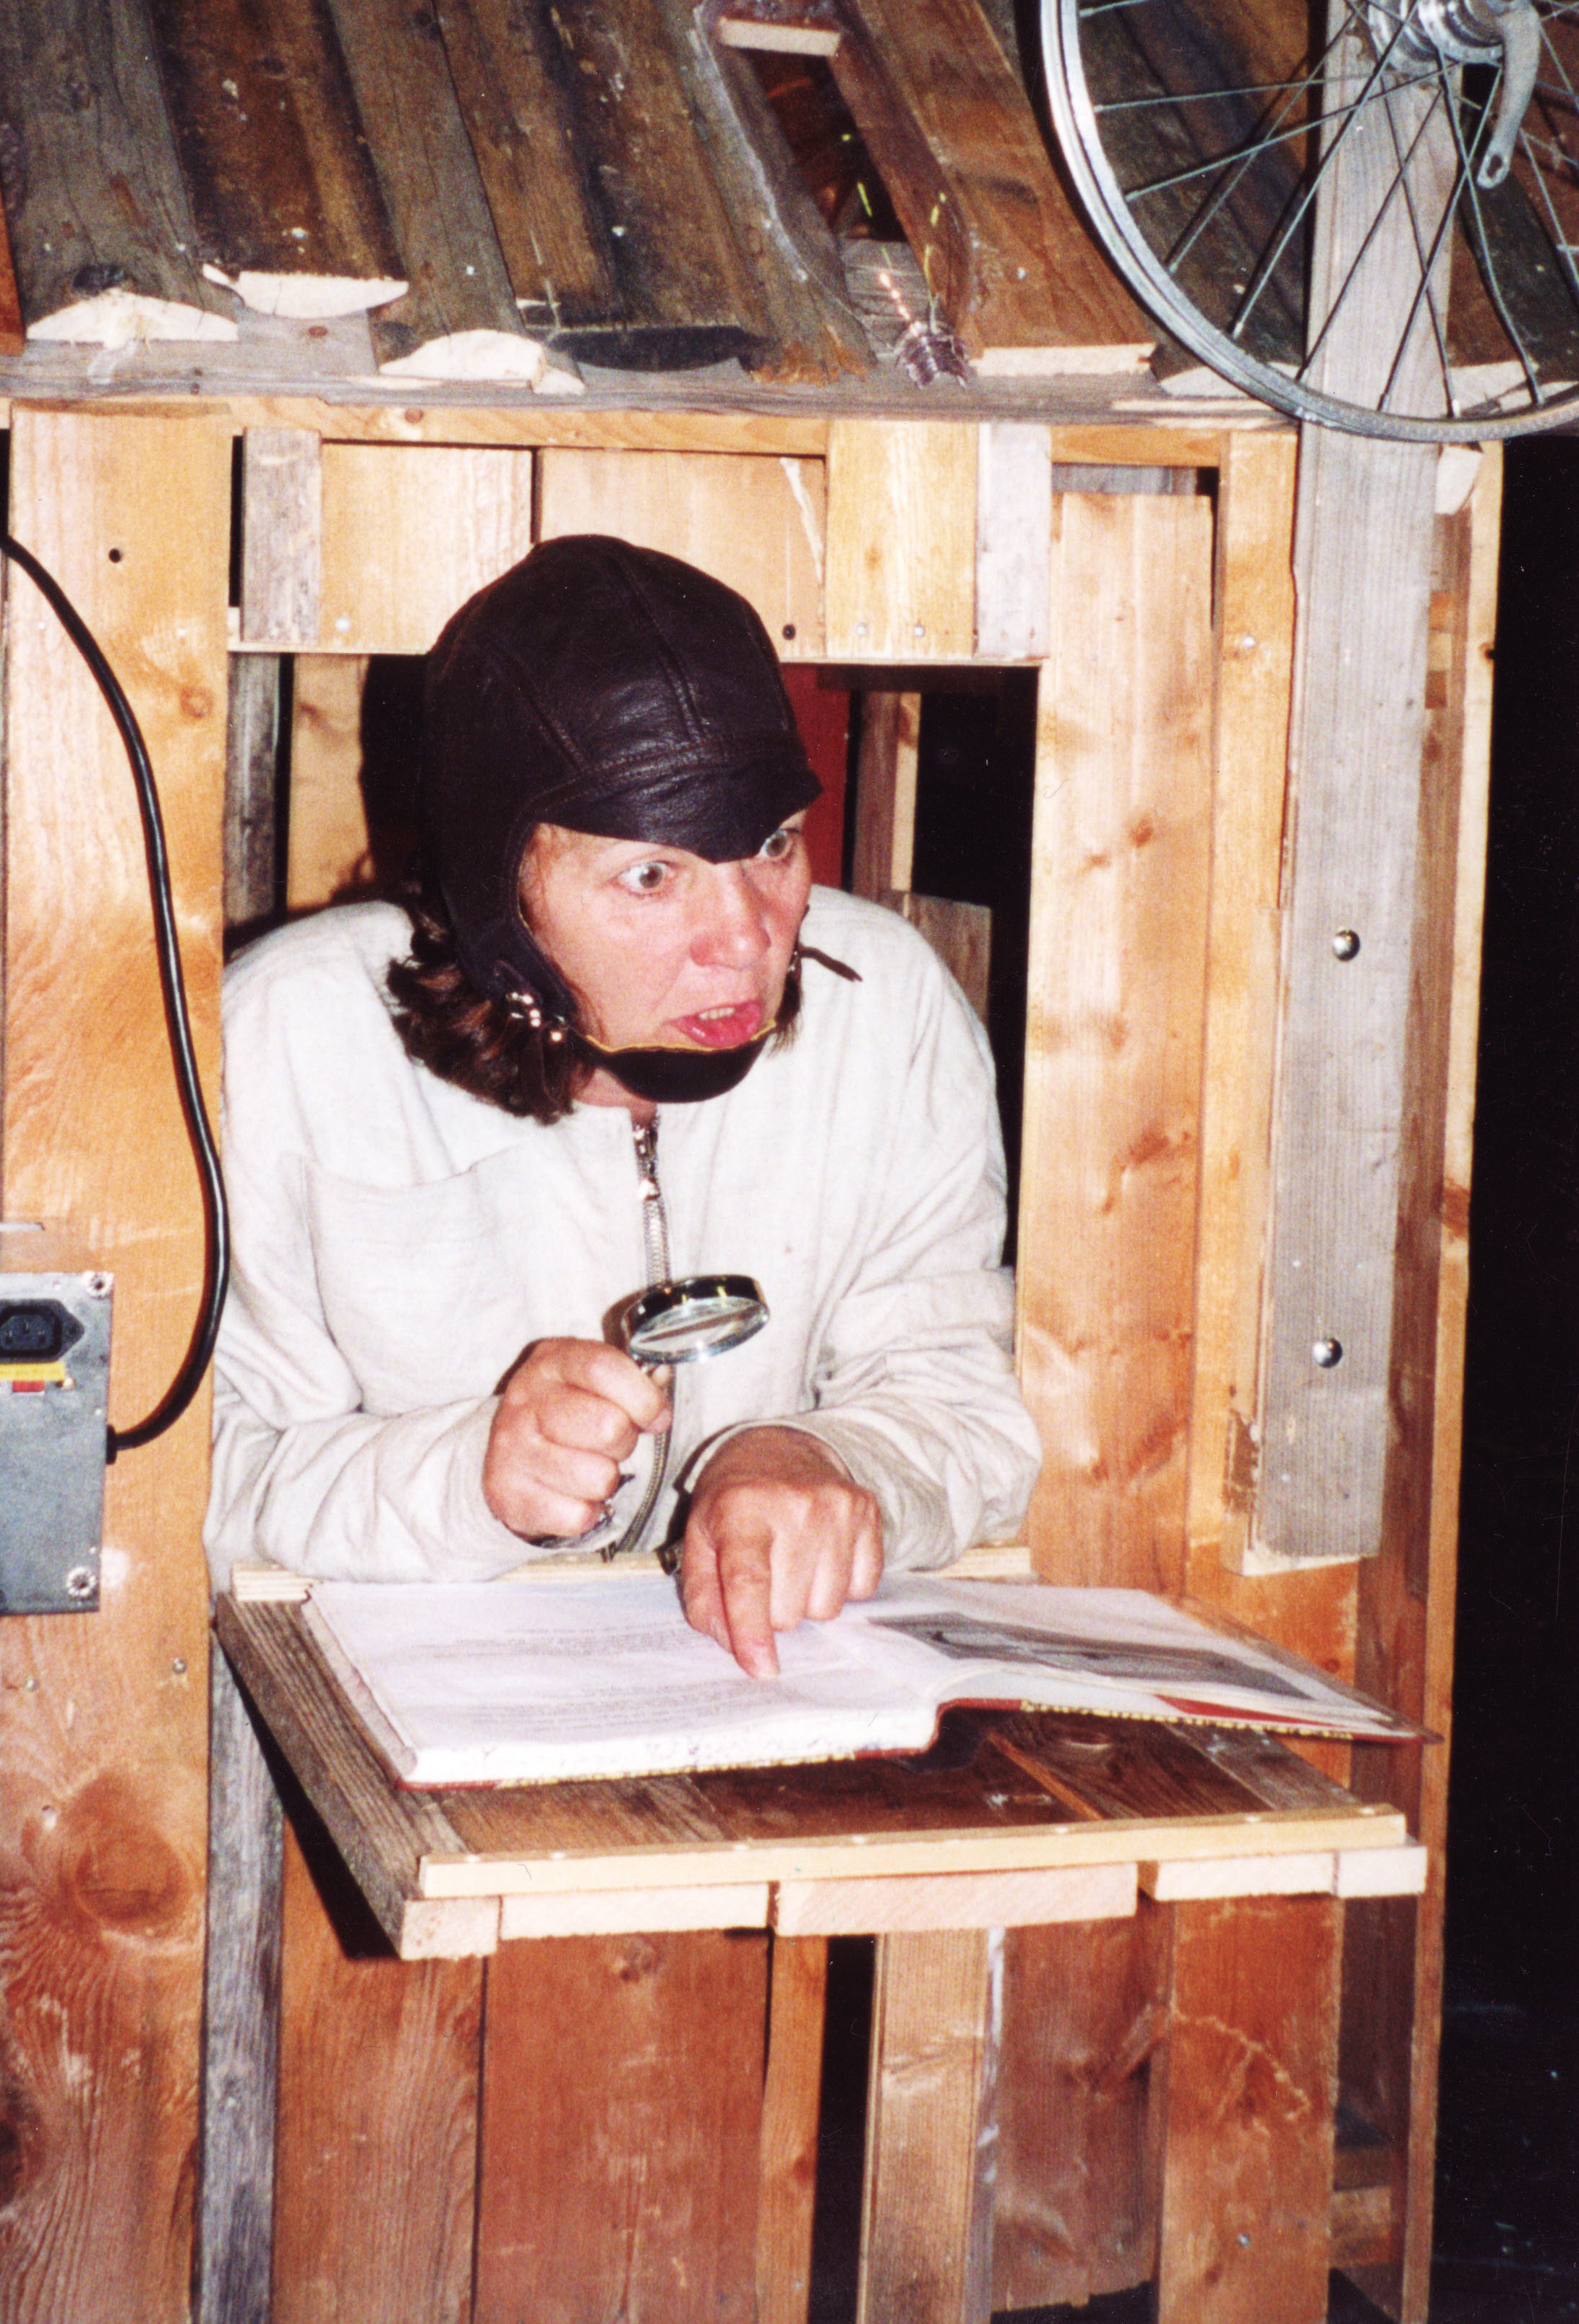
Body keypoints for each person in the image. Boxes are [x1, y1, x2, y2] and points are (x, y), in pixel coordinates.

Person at [205, 535, 1039, 1675]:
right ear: (498, 892)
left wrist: (822, 1457)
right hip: (420, 1697)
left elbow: (963, 1408)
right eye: (651, 876)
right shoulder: (293, 1035)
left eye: (772, 846)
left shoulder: (886, 1006)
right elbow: (193, 1484)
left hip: (773, 1683)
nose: (747, 938)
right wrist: (467, 1478)